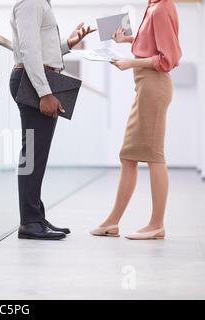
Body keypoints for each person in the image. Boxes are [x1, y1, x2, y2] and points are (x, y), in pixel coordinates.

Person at [91, 0, 181, 240]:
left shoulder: (161, 8)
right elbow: (150, 44)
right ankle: (112, 222)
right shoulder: (153, 6)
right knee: (128, 154)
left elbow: (167, 58)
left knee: (154, 154)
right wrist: (127, 41)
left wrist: (130, 62)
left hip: (154, 85)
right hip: (144, 86)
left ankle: (156, 224)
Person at [9, 0, 96, 240]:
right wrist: (44, 92)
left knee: (37, 155)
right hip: (34, 82)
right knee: (33, 155)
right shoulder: (31, 2)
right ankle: (29, 221)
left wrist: (68, 44)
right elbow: (28, 49)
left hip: (39, 80)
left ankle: (36, 216)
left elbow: (41, 47)